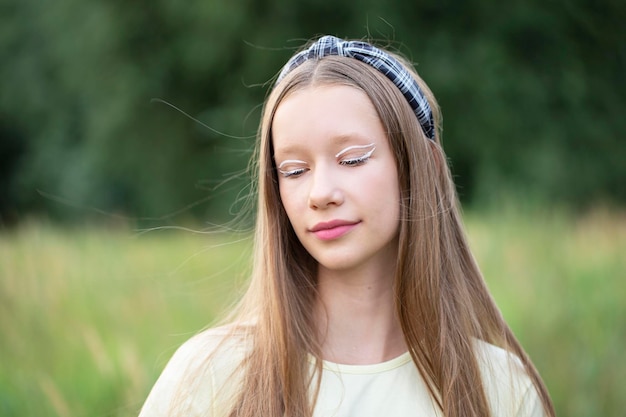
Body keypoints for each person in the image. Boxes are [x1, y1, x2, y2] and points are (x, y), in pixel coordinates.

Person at [138, 35, 555, 417]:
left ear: (420, 168)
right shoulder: (211, 376)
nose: (320, 193)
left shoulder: (500, 389)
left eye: (352, 159)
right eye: (295, 170)